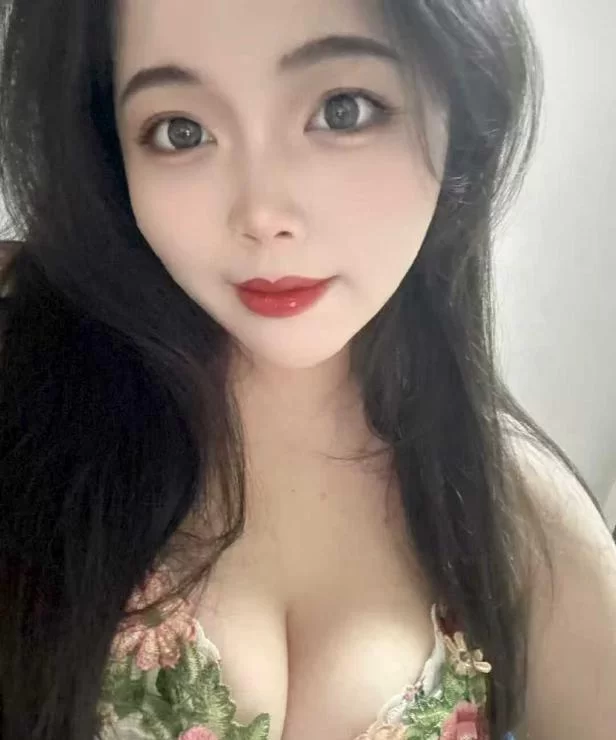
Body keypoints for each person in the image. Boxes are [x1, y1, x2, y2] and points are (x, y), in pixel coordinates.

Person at [0, 1, 614, 739]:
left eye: (342, 110)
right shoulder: (27, 392)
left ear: (459, 107)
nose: (262, 214)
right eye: (180, 130)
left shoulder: (519, 518)